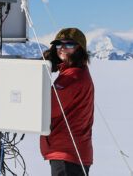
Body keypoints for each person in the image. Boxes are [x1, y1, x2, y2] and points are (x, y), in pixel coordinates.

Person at [40, 28, 95, 176]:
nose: (62, 48)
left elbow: (46, 109)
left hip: (68, 153)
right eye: (59, 45)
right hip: (71, 151)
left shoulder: (72, 77)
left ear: (80, 48)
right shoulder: (74, 72)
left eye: (69, 44)